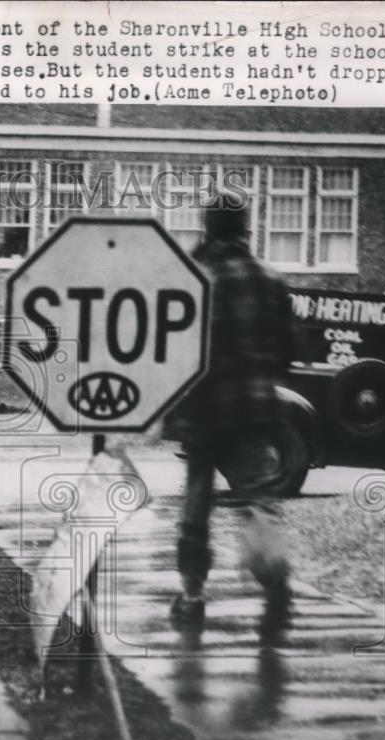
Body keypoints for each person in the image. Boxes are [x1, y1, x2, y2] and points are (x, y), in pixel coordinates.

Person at [169, 200, 296, 628]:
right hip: (256, 412)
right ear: (246, 231)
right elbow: (289, 352)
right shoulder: (272, 281)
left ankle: (192, 596)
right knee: (261, 502)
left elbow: (178, 352)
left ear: (208, 231)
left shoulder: (196, 280)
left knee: (196, 508)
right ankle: (276, 582)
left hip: (204, 415)